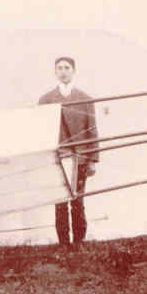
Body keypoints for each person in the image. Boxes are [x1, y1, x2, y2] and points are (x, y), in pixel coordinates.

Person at [38, 56, 99, 248]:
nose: (63, 71)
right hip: (58, 158)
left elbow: (92, 129)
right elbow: (40, 132)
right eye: (59, 68)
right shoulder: (45, 100)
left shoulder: (85, 98)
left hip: (80, 157)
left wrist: (92, 159)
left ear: (73, 71)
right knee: (60, 201)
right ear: (55, 72)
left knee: (78, 200)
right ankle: (63, 243)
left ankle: (79, 241)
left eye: (67, 67)